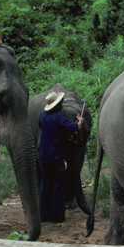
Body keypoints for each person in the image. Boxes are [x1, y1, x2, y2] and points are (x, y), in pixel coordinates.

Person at [38, 91, 84, 223]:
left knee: (45, 185)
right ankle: (57, 216)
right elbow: (75, 128)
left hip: (44, 157)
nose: (62, 105)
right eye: (60, 103)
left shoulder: (42, 115)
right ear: (57, 105)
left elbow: (42, 127)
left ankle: (43, 215)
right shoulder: (59, 118)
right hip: (56, 158)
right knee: (59, 185)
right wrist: (80, 121)